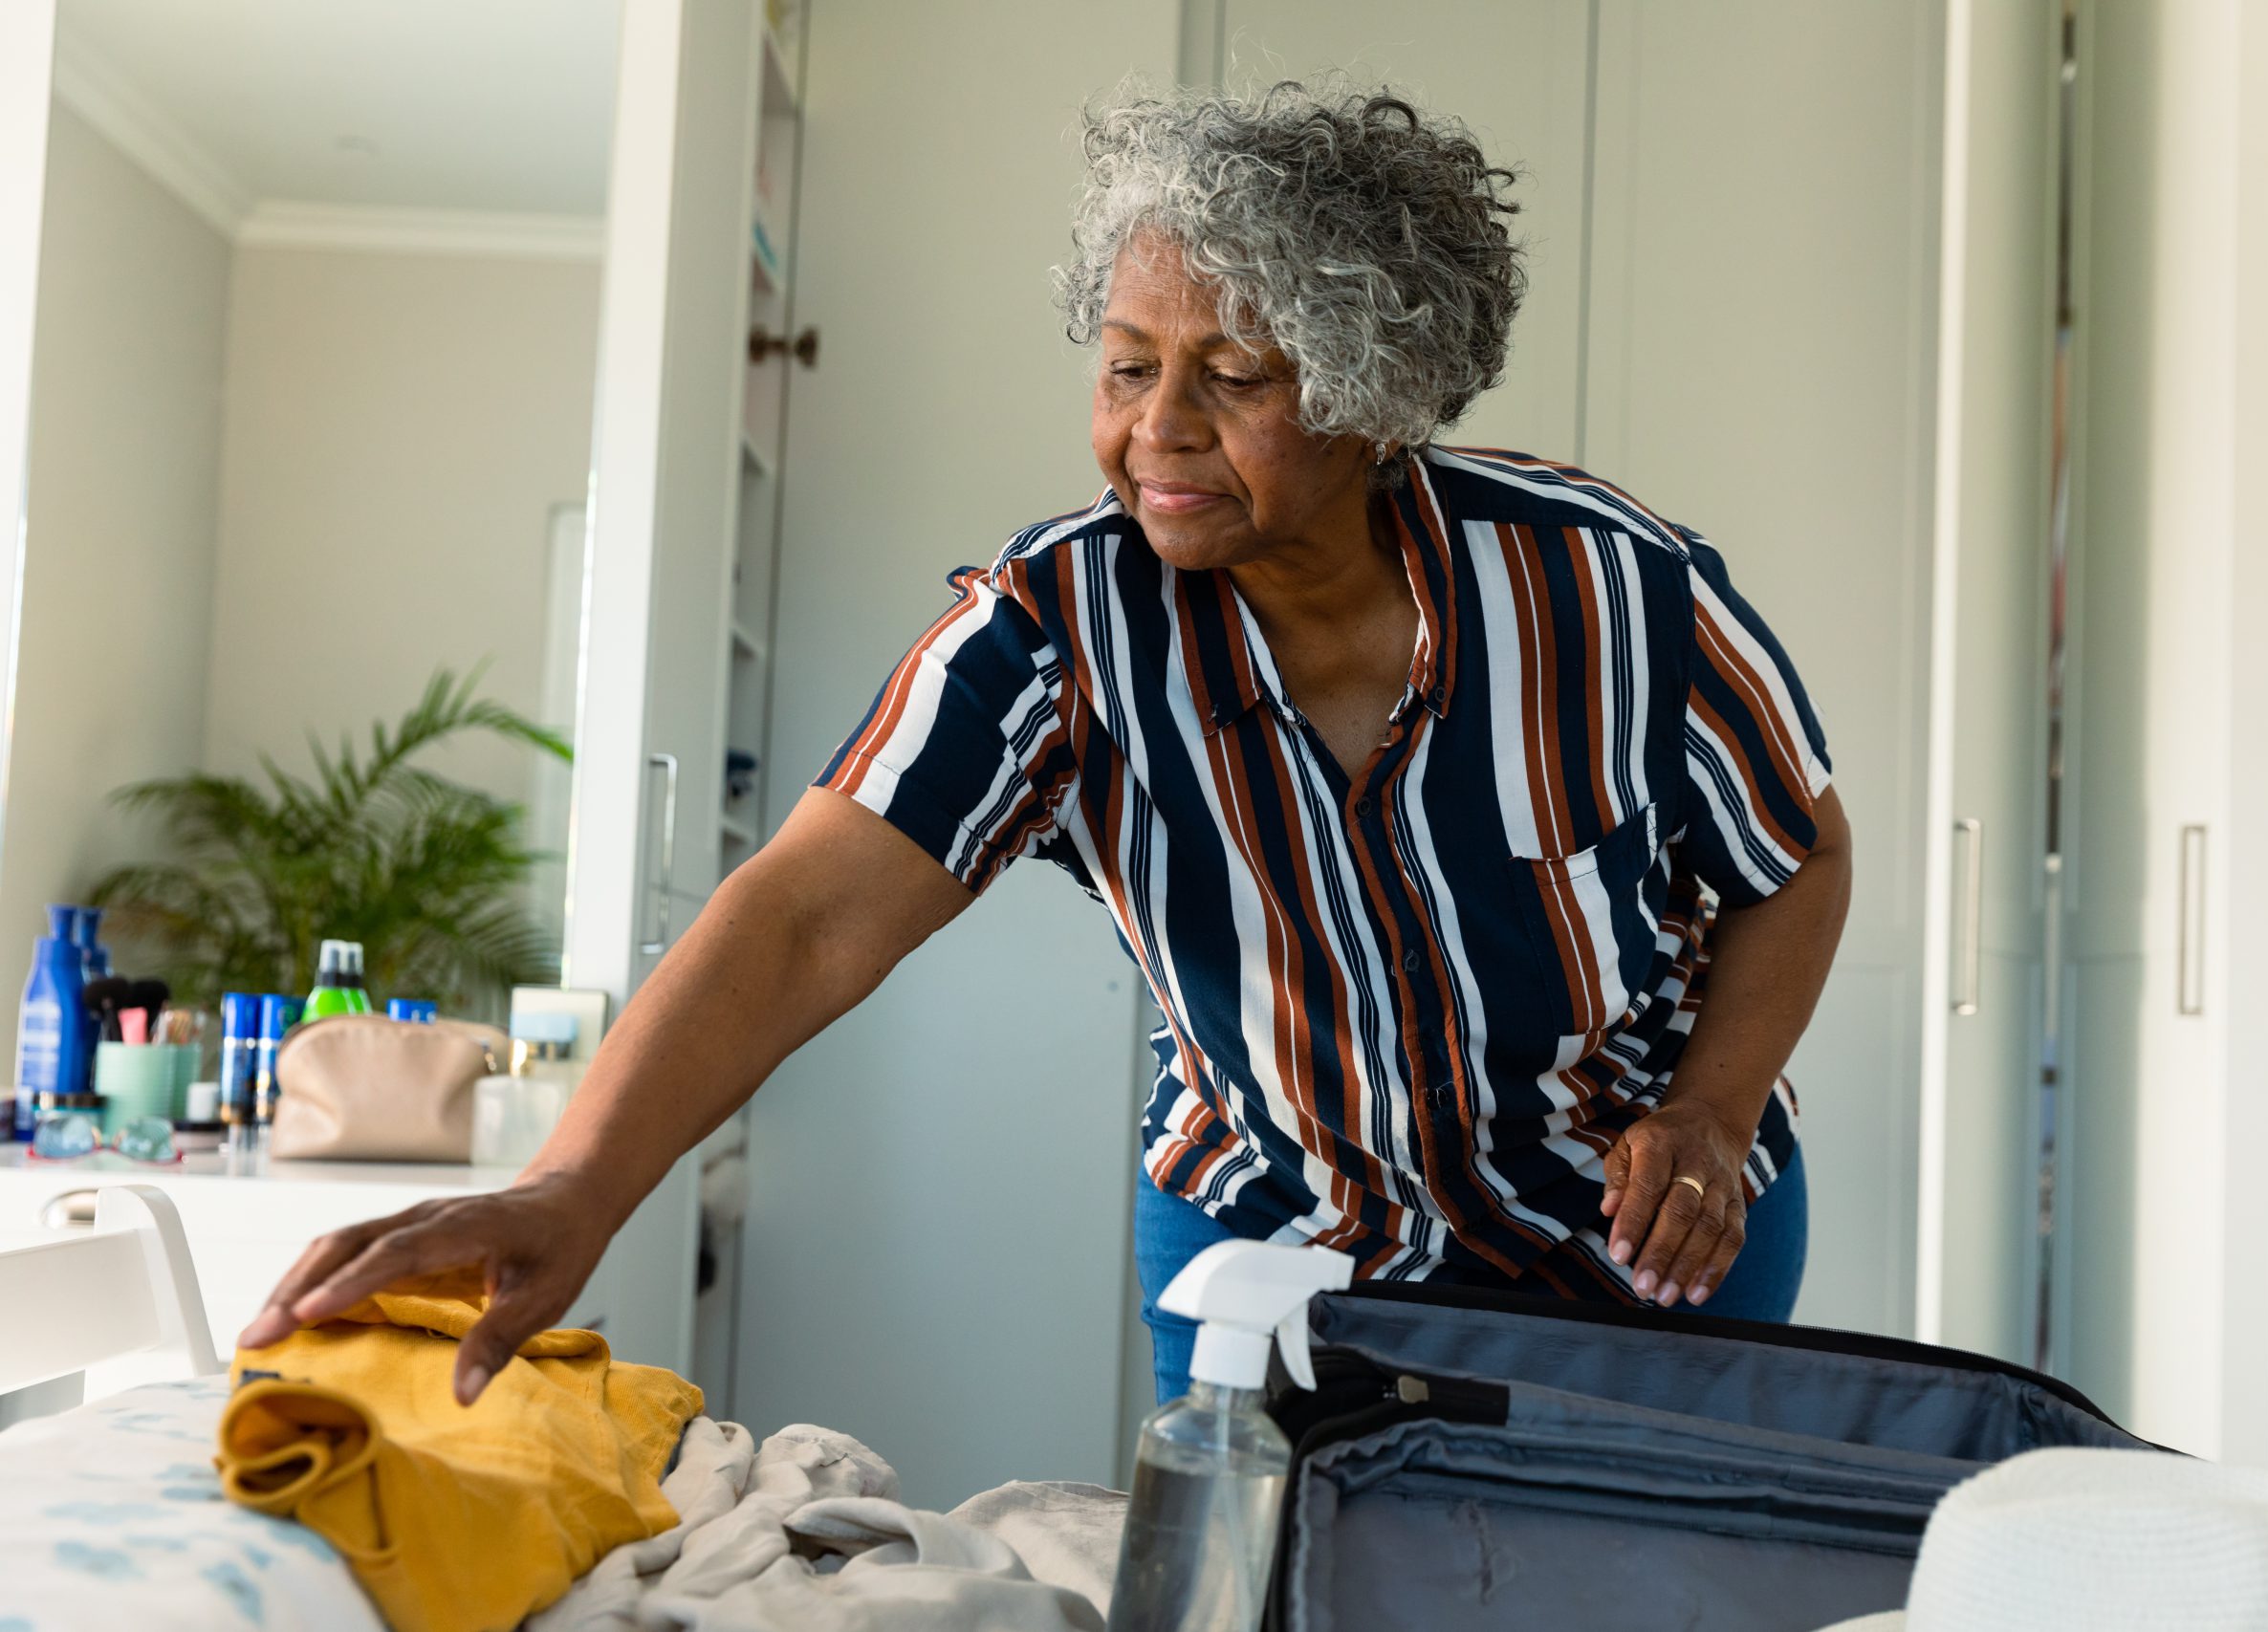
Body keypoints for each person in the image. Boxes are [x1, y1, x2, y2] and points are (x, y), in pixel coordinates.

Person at [239, 82, 1851, 1409]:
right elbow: (801, 917)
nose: (1157, 429)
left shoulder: (1609, 587)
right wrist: (575, 1188)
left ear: (1379, 396)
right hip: (1272, 1234)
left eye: (1233, 377)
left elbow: (1797, 855)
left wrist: (1716, 1112)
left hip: (1640, 1235)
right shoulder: (1055, 628)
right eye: (1128, 367)